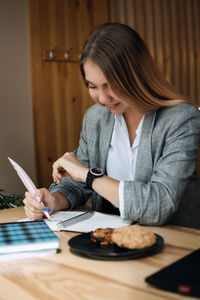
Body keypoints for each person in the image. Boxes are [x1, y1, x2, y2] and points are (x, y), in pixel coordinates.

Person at [23, 23, 200, 228]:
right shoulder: (95, 118)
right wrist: (55, 199)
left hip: (177, 244)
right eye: (92, 86)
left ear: (136, 74)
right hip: (109, 243)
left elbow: (158, 205)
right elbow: (77, 184)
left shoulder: (181, 119)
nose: (103, 97)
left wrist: (89, 176)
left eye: (110, 84)